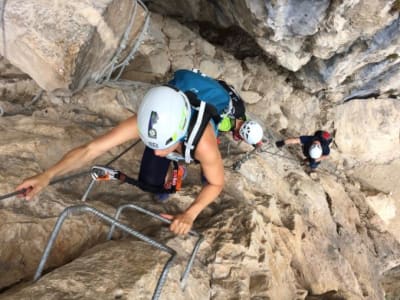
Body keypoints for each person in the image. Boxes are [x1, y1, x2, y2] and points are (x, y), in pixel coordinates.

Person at [16, 69, 262, 235]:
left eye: (164, 145)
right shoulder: (147, 118)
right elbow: (92, 149)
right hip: (182, 102)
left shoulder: (204, 144)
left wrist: (190, 214)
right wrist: (47, 175)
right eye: (151, 142)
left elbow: (216, 183)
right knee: (151, 178)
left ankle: (180, 164)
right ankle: (171, 167)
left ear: (181, 136)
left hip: (198, 112)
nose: (156, 153)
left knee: (162, 169)